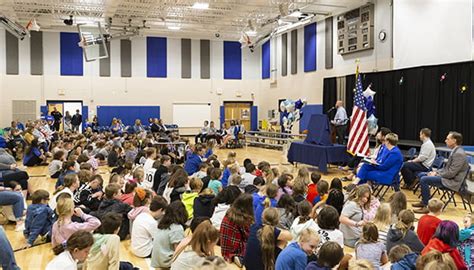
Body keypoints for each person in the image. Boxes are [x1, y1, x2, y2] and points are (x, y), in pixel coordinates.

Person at [413, 131, 469, 214]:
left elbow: (451, 173)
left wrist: (436, 174)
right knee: (422, 174)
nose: (445, 141)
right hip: (447, 177)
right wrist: (435, 171)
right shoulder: (455, 151)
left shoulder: (459, 154)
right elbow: (446, 169)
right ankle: (424, 201)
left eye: (447, 139)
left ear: (454, 140)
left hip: (452, 181)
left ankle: (427, 205)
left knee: (424, 179)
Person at [151, 201, 188, 268]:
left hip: (157, 260)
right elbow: (178, 250)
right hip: (166, 262)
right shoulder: (177, 228)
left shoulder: (162, 224)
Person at [220, 193, 254, 265]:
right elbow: (248, 237)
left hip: (225, 249)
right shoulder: (242, 220)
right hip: (236, 250)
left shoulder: (229, 213)